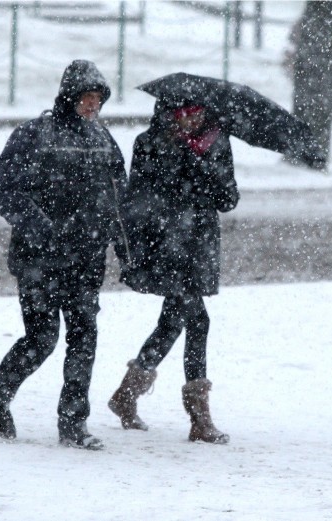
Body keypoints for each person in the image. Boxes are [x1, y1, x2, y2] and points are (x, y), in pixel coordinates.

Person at [0, 60, 128, 450]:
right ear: (69, 96)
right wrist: (45, 230)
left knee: (84, 337)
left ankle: (74, 423)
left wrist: (122, 244)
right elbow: (7, 191)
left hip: (87, 259)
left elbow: (117, 197)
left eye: (98, 99)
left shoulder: (104, 139)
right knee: (42, 338)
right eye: (87, 97)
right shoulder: (34, 134)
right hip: (38, 259)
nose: (93, 106)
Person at [108, 100, 239, 444]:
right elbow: (138, 199)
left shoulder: (216, 141)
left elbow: (228, 199)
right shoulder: (149, 143)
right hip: (167, 244)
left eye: (199, 113)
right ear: (169, 113)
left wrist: (204, 170)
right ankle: (199, 419)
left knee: (173, 322)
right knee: (197, 321)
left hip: (200, 244)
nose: (193, 120)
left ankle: (126, 394)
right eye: (185, 113)